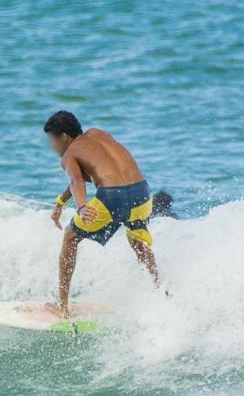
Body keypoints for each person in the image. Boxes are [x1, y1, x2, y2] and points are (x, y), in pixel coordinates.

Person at [44, 110, 159, 317]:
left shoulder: (69, 155)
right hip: (142, 194)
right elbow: (95, 171)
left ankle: (62, 307)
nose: (51, 147)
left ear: (63, 137)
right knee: (136, 240)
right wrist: (61, 201)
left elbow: (77, 180)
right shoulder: (98, 133)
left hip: (114, 197)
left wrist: (81, 206)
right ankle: (159, 291)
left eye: (51, 140)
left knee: (70, 236)